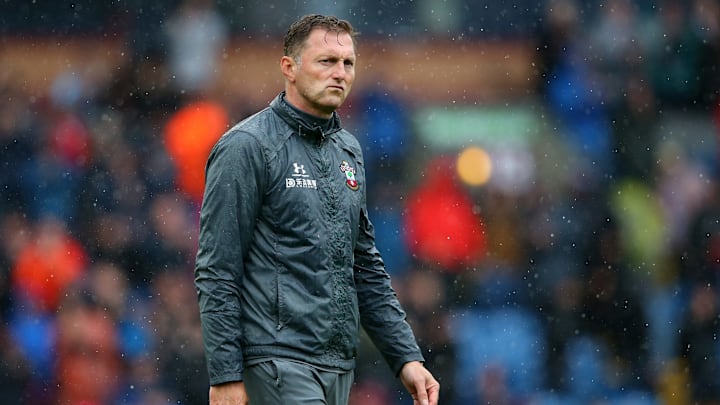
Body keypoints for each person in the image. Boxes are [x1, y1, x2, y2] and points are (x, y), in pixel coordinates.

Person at [194, 14, 440, 405]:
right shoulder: (246, 146)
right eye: (326, 61)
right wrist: (224, 374)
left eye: (348, 63)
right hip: (275, 362)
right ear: (288, 68)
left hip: (337, 367)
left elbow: (363, 265)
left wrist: (405, 356)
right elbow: (217, 268)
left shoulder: (349, 150)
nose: (340, 73)